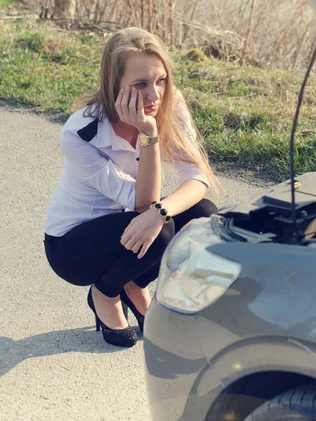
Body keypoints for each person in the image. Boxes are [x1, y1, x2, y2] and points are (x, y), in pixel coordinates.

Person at [44, 27, 218, 348]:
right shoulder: (81, 134)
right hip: (74, 246)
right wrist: (148, 133)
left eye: (161, 80)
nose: (154, 95)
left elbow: (198, 179)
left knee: (203, 217)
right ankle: (105, 291)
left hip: (130, 231)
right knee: (160, 227)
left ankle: (132, 283)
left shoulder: (169, 102)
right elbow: (143, 203)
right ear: (114, 86)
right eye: (140, 85)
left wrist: (161, 212)